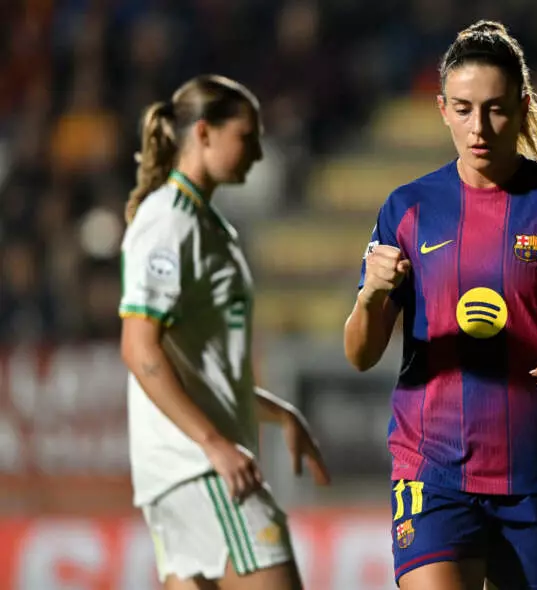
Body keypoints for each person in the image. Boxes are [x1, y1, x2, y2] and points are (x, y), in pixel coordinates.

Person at [343, 20, 537, 590]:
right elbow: (361, 354)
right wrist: (371, 295)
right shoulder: (407, 210)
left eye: (495, 109)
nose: (479, 127)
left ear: (523, 106)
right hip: (430, 466)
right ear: (442, 109)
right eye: (463, 109)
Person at [118, 74, 331, 590]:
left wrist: (277, 413)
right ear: (204, 133)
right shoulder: (169, 222)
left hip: (189, 470)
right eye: (247, 137)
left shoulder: (206, 224)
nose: (257, 153)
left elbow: (197, 368)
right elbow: (139, 348)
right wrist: (214, 444)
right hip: (201, 469)